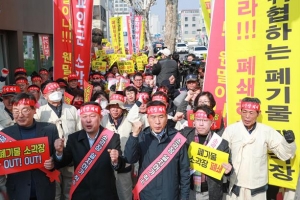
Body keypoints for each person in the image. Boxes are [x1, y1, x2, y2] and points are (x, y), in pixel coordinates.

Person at [222, 97, 296, 200]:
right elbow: (222, 154)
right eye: (244, 112)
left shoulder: (266, 131)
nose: (247, 116)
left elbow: (284, 154)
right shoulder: (231, 130)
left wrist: (289, 142)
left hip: (257, 187)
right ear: (241, 112)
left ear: (258, 113)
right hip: (236, 184)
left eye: (251, 113)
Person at [54, 102, 126, 200]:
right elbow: (63, 162)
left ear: (100, 118)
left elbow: (120, 166)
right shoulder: (73, 138)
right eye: (84, 117)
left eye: (92, 116)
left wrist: (116, 160)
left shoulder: (112, 137)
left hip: (105, 193)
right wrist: (59, 152)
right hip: (81, 193)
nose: (88, 120)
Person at [125, 101, 190, 200]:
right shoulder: (142, 136)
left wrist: (184, 198)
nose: (157, 122)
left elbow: (184, 172)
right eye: (153, 117)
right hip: (146, 194)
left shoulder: (177, 139)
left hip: (170, 194)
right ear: (147, 118)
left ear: (166, 118)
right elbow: (130, 159)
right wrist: (134, 135)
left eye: (161, 117)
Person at [0, 93, 59, 200]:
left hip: (44, 191)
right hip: (17, 191)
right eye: (16, 111)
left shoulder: (50, 129)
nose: (20, 115)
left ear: (34, 110)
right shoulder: (5, 135)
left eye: (25, 110)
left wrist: (55, 159)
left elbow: (60, 159)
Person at [35, 80, 81, 200]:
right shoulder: (40, 112)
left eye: (57, 90)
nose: (56, 92)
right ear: (45, 96)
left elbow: (79, 132)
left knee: (69, 191)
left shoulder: (72, 109)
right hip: (50, 158)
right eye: (52, 91)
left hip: (70, 156)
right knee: (54, 192)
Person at [180, 105, 232, 200]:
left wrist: (228, 171)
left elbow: (227, 166)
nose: (201, 124)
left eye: (205, 121)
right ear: (194, 121)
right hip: (189, 191)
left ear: (212, 122)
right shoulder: (184, 135)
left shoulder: (221, 143)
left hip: (210, 192)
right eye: (198, 120)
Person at [101, 94, 133, 200]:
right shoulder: (102, 120)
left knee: (125, 194)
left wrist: (136, 166)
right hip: (105, 164)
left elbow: (135, 144)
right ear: (109, 108)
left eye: (118, 107)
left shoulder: (129, 121)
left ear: (123, 109)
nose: (115, 110)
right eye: (113, 107)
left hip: (125, 163)